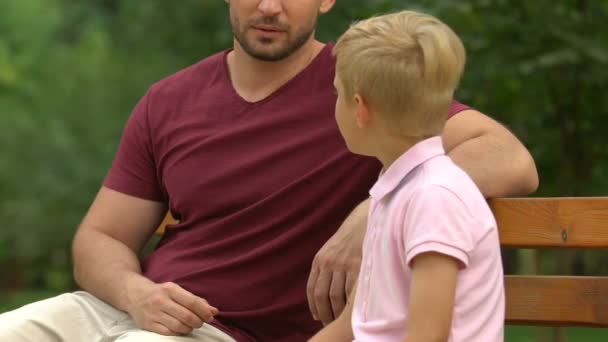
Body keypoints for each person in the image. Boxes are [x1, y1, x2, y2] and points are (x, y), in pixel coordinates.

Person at [0, 1, 536, 341]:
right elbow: (99, 238)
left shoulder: (366, 87)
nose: (269, 6)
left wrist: (374, 210)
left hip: (229, 335)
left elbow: (507, 158)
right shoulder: (169, 101)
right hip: (128, 310)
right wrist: (137, 294)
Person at [309, 10, 503, 342]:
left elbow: (428, 336)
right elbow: (350, 328)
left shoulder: (435, 198)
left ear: (360, 109)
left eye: (336, 93)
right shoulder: (395, 191)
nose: (334, 105)